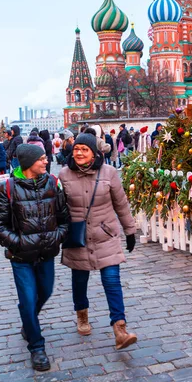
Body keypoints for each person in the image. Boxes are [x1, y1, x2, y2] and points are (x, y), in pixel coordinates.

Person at [0, 144, 70, 371]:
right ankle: (37, 347)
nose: (46, 162)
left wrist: (57, 236)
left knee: (45, 292)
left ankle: (28, 321)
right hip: (21, 257)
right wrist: (19, 243)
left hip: (46, 253)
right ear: (28, 163)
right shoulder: (8, 189)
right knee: (28, 298)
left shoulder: (52, 183)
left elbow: (64, 216)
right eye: (41, 159)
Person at [58, 133, 137, 349]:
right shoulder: (64, 175)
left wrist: (130, 231)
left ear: (94, 152)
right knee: (79, 280)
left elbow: (121, 204)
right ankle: (82, 314)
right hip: (78, 237)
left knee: (112, 280)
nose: (80, 153)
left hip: (106, 235)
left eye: (84, 149)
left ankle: (119, 328)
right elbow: (58, 209)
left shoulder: (109, 172)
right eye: (76, 149)